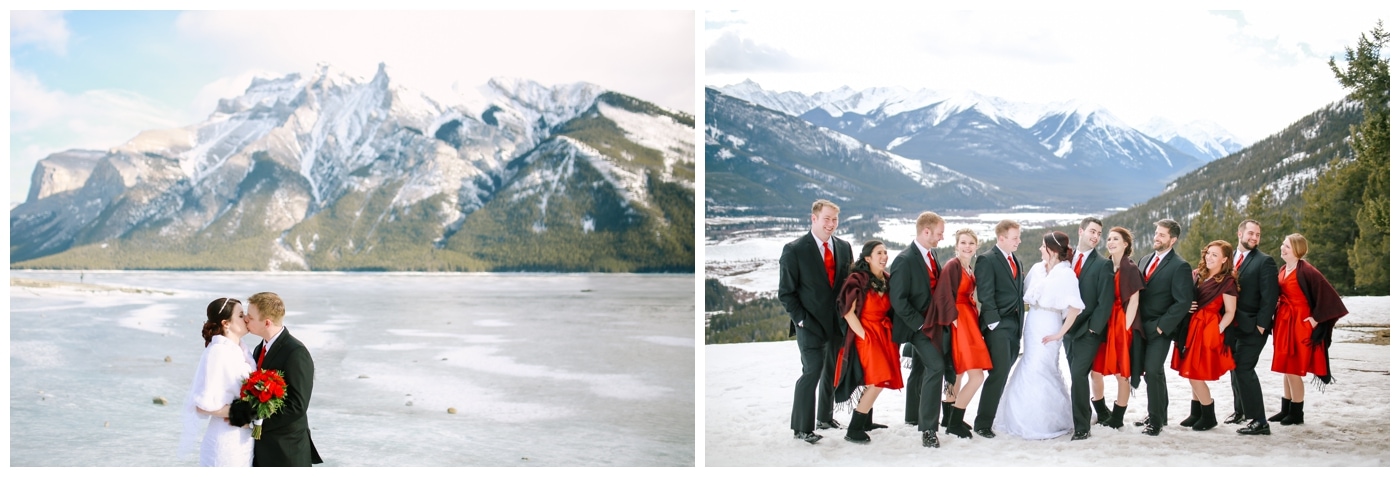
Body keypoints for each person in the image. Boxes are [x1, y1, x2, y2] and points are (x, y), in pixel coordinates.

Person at [993, 231, 1082, 440]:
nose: (1040, 249)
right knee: (1028, 365)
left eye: (1043, 246)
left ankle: (1045, 421)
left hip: (1050, 324)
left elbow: (1075, 308)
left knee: (1042, 368)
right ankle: (1017, 417)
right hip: (1032, 322)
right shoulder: (1036, 269)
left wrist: (1060, 333)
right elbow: (1021, 294)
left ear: (1052, 250)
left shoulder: (1066, 274)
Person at [778, 199, 853, 444]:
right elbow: (786, 293)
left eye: (835, 219)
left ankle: (825, 417)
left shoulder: (844, 247)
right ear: (814, 218)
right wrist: (800, 320)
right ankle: (801, 427)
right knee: (811, 372)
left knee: (832, 370)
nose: (831, 224)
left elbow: (848, 285)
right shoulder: (795, 249)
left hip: (836, 323)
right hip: (809, 324)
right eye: (826, 219)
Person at [228, 292, 323, 466]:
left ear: (267, 323)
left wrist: (255, 421)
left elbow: (297, 406)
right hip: (260, 450)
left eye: (250, 316)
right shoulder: (259, 349)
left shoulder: (296, 352)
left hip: (286, 450)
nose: (246, 320)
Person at [1269, 233, 1348, 426]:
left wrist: (1315, 319)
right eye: (1282, 244)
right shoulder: (1283, 269)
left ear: (1297, 250)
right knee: (1286, 367)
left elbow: (1331, 298)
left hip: (1299, 324)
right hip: (1284, 322)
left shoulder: (1307, 271)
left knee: (1294, 368)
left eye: (1287, 246)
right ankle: (1285, 409)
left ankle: (1297, 413)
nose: (1282, 248)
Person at [889, 211, 951, 448]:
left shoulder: (931, 254)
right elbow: (899, 300)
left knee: (918, 368)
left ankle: (912, 415)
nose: (940, 238)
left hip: (932, 323)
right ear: (926, 232)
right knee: (935, 367)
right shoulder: (905, 260)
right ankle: (928, 430)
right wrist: (921, 324)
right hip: (916, 326)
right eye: (938, 234)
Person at [832, 240, 904, 443]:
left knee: (877, 377)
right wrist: (863, 335)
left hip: (884, 334)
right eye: (879, 253)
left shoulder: (887, 280)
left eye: (885, 252)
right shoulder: (857, 279)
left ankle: (865, 421)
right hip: (865, 333)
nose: (884, 256)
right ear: (867, 258)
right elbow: (847, 311)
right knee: (878, 379)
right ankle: (854, 428)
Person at [1132, 219, 1194, 436]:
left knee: (1154, 370)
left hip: (1160, 329)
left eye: (1162, 235)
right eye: (1156, 233)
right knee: (1149, 373)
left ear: (1173, 239)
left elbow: (1183, 302)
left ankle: (1155, 422)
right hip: (1140, 326)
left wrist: (1161, 327)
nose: (1156, 238)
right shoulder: (1145, 259)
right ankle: (1160, 413)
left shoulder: (1180, 265)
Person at [1170, 240, 1238, 431]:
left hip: (1209, 329)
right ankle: (1196, 412)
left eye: (1215, 255)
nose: (1209, 257)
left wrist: (1218, 329)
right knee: (1191, 369)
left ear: (1224, 259)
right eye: (1208, 253)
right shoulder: (1198, 275)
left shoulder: (1227, 282)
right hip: (1192, 327)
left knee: (1196, 373)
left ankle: (1209, 415)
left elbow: (1230, 311)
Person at [179, 298, 256, 466]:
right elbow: (202, 404)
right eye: (241, 315)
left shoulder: (241, 351)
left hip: (243, 440)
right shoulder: (217, 352)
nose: (246, 319)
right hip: (225, 443)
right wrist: (240, 412)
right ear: (225, 323)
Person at [933, 228, 992, 439]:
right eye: (963, 243)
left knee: (957, 373)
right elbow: (942, 294)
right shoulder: (953, 266)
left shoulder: (967, 267)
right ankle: (955, 420)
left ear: (976, 247)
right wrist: (954, 320)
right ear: (956, 245)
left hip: (968, 320)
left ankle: (948, 417)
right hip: (960, 323)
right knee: (976, 376)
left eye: (971, 243)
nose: (967, 247)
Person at [972, 219, 1025, 439]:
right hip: (998, 325)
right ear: (1001, 238)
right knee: (999, 373)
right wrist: (994, 323)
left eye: (1019, 237)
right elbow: (985, 293)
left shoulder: (1017, 261)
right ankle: (982, 423)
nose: (1018, 242)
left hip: (1015, 324)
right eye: (1014, 238)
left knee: (1005, 370)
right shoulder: (987, 259)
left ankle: (992, 418)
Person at [1227, 220, 1280, 436]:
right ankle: (1239, 411)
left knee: (1243, 368)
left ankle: (1259, 421)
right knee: (1233, 366)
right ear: (1239, 233)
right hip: (1232, 325)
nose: (1254, 238)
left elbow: (1270, 297)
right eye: (1251, 233)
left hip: (1253, 327)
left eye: (1258, 234)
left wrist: (1261, 325)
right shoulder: (1228, 258)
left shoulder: (1264, 262)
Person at [1091, 226, 1144, 430]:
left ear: (1125, 244)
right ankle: (1102, 410)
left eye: (1116, 239)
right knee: (1095, 370)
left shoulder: (1129, 267)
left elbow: (1134, 301)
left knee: (1122, 372)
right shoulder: (1106, 265)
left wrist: (1125, 327)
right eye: (1109, 239)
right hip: (1105, 321)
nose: (1111, 242)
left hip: (1121, 323)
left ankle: (1118, 416)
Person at [1066, 218, 1113, 440]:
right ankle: (1084, 415)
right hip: (1066, 329)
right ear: (1081, 231)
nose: (1095, 236)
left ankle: (1082, 428)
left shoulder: (1103, 264)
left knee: (1078, 374)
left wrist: (1094, 329)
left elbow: (1105, 302)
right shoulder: (1066, 258)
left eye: (1099, 233)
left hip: (1088, 331)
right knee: (1077, 378)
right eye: (1092, 231)